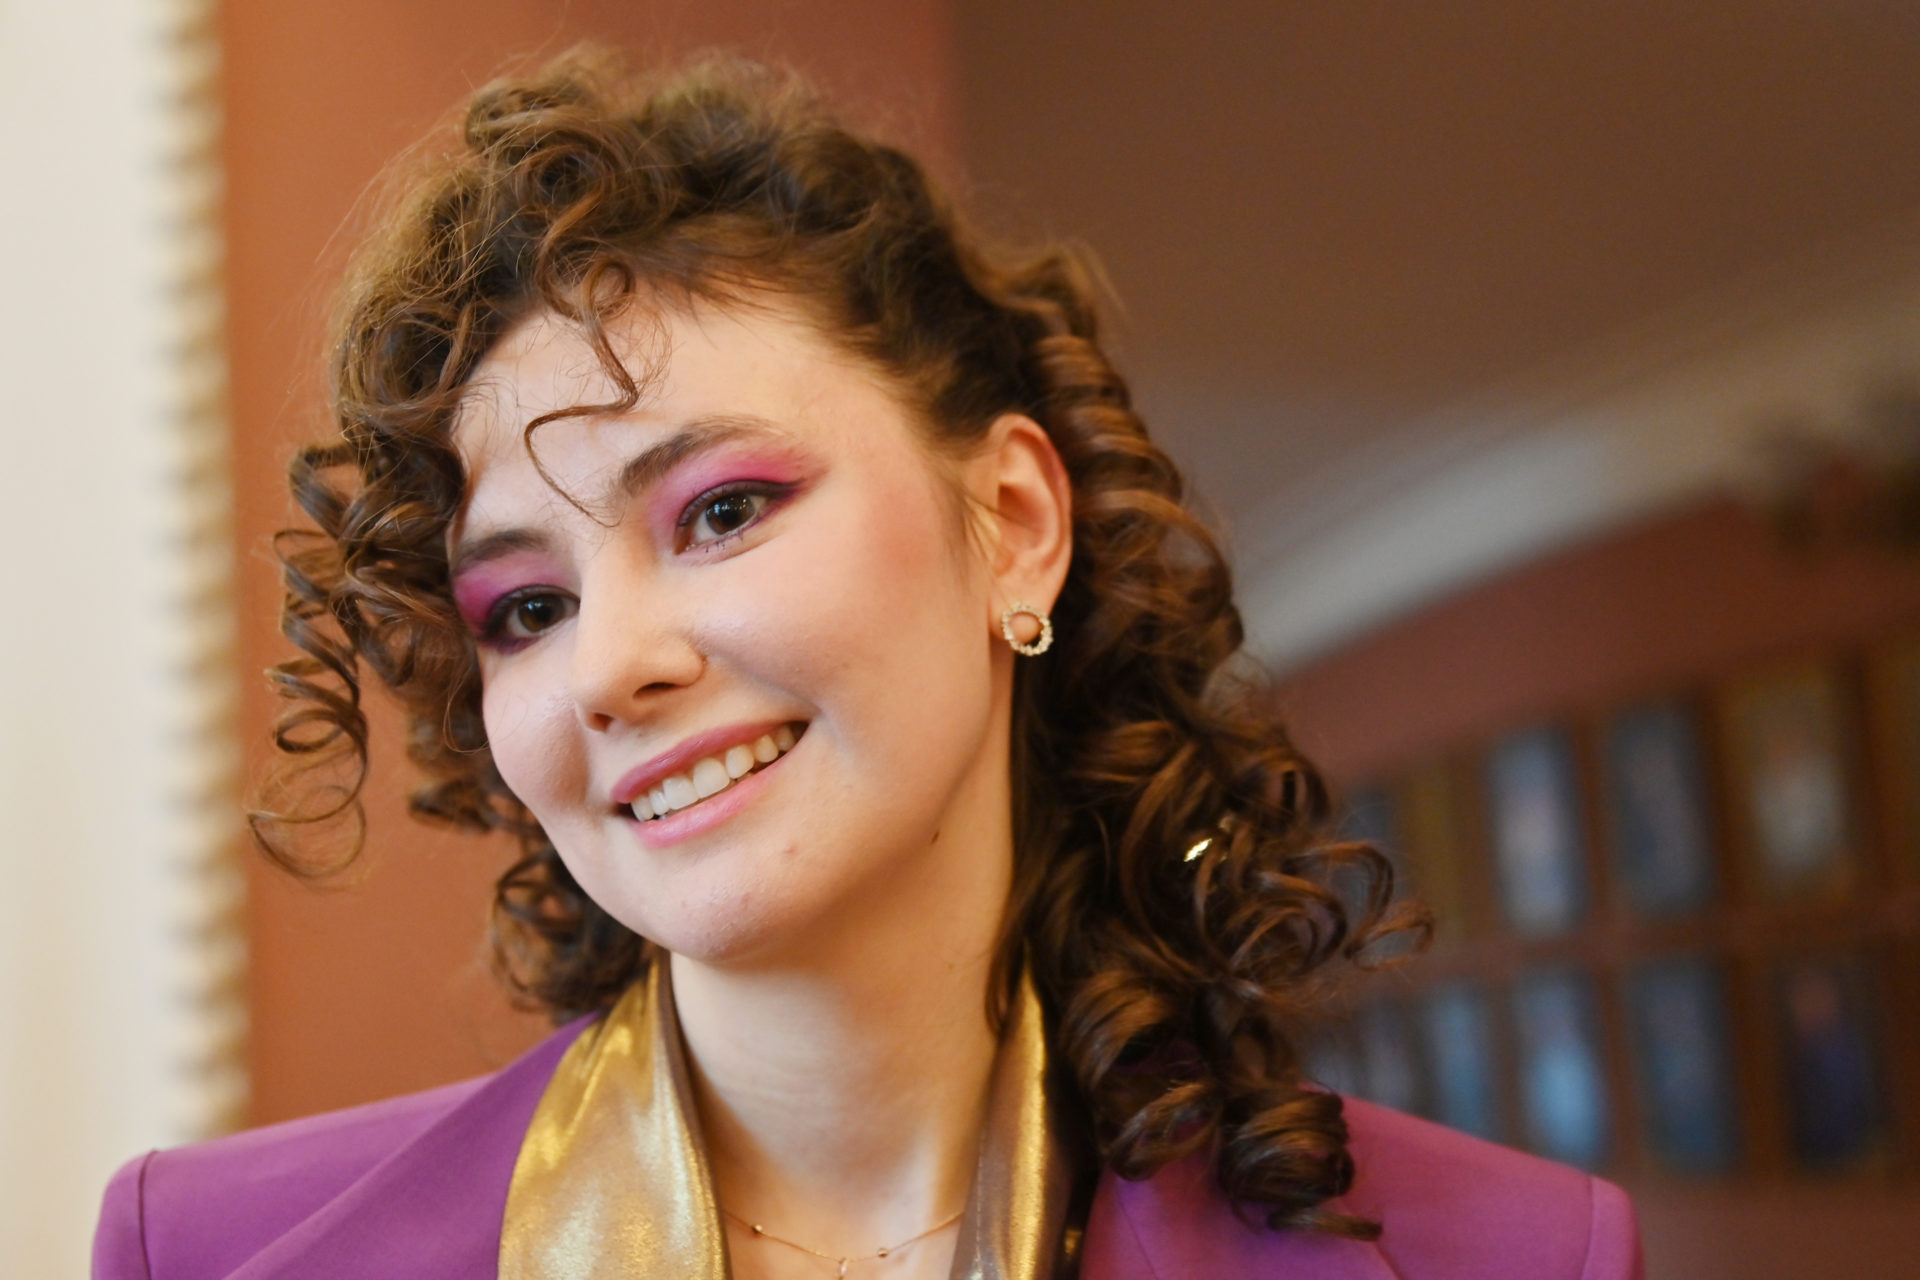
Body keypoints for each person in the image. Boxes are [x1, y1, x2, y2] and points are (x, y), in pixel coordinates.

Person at [93, 49, 1643, 1280]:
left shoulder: (1514, 1257)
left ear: (1014, 525)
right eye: (527, 608)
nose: (612, 665)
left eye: (721, 511)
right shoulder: (209, 1255)